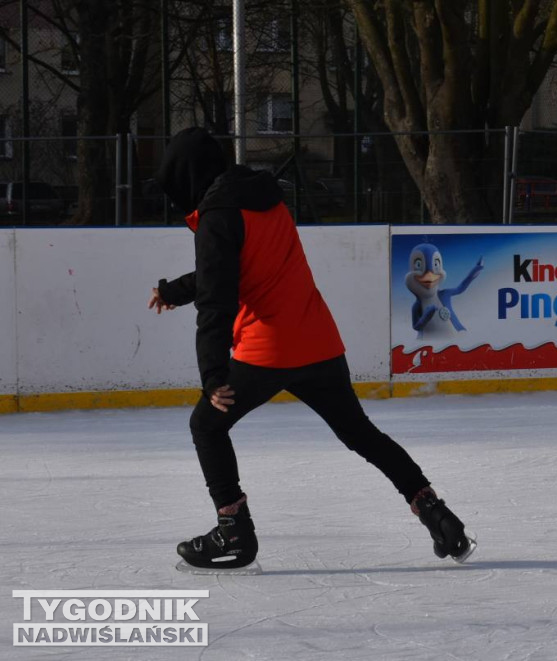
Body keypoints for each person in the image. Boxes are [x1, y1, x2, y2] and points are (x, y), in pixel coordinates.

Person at [147, 127, 475, 570]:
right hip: (318, 342)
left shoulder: (216, 218)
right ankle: (437, 514)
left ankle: (233, 531)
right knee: (361, 434)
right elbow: (236, 271)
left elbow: (217, 299)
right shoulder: (266, 199)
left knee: (206, 425)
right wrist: (174, 290)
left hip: (268, 350)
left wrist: (213, 375)